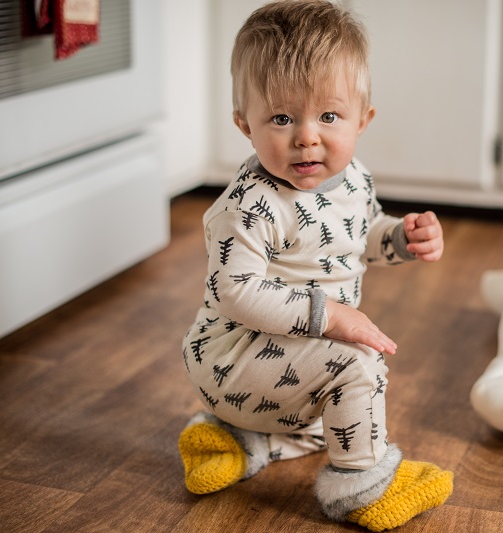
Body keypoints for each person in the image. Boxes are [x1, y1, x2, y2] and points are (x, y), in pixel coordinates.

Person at [178, 0, 453, 530]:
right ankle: (363, 486)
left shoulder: (353, 180)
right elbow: (236, 290)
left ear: (362, 120)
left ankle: (242, 440)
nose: (307, 136)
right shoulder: (249, 203)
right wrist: (330, 317)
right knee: (356, 365)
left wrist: (400, 238)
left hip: (283, 365)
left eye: (328, 116)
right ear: (245, 124)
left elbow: (359, 237)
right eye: (282, 118)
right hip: (233, 357)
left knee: (335, 402)